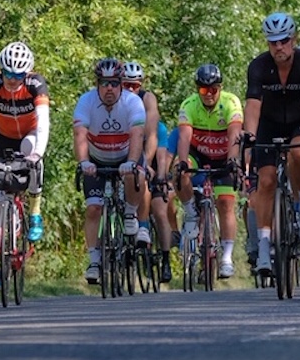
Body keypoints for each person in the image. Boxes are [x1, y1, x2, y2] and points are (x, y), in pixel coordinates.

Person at [241, 11, 300, 279]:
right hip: (269, 124)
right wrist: (249, 136)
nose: (279, 47)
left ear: (293, 39)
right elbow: (253, 105)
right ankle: (264, 247)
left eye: (284, 41)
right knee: (265, 182)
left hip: (299, 123)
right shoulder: (258, 67)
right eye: (273, 42)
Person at [0, 41, 49, 292]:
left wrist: (38, 153)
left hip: (29, 136)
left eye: (17, 75)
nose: (12, 80)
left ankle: (35, 211)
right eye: (7, 73)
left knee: (31, 150)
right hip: (2, 140)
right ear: (0, 70)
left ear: (26, 73)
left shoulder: (36, 84)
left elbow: (43, 123)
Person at [72, 58, 147, 286]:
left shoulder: (132, 102)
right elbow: (80, 134)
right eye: (104, 83)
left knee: (137, 175)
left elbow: (137, 134)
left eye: (114, 83)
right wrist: (84, 161)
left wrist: (132, 161)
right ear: (97, 84)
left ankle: (131, 212)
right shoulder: (86, 101)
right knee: (94, 208)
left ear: (121, 83)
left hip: (125, 157)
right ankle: (94, 261)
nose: (109, 89)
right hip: (97, 159)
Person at [173, 63, 245, 278]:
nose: (209, 94)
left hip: (224, 155)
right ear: (198, 90)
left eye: (214, 89)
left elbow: (234, 134)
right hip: (199, 153)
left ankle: (226, 257)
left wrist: (233, 160)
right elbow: (184, 137)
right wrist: (183, 162)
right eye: (204, 90)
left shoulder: (231, 102)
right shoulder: (189, 105)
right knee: (180, 169)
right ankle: (190, 212)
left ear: (220, 88)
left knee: (225, 203)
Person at [121, 60, 173, 284]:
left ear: (141, 85)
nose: (130, 90)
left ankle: (165, 258)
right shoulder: (117, 102)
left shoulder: (148, 102)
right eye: (126, 85)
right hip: (124, 155)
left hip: (148, 158)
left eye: (135, 86)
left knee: (160, 210)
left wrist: (154, 170)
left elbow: (154, 143)